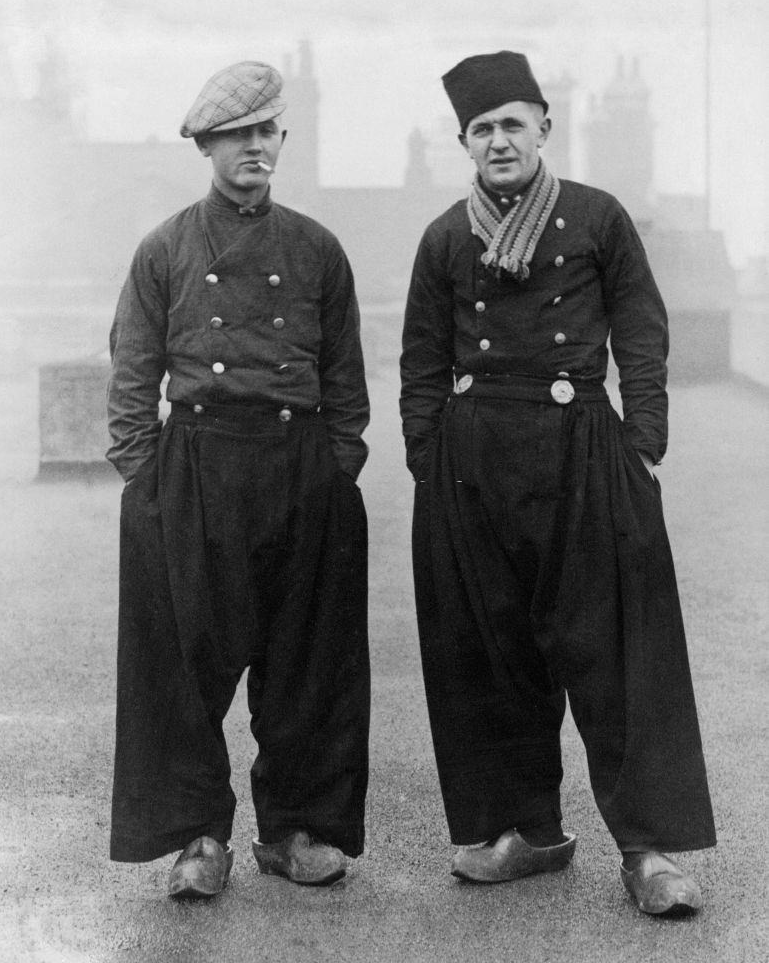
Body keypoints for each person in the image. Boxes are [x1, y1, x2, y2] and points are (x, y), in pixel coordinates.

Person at [400, 51, 715, 915]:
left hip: (580, 454)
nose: (498, 141)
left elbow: (642, 337)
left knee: (612, 654)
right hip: (471, 467)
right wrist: (428, 457)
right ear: (462, 142)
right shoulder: (443, 238)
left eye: (512, 123)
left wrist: (641, 446)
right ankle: (525, 831)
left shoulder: (596, 219)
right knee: (492, 658)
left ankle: (646, 850)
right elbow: (420, 362)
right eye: (481, 129)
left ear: (544, 124)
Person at [107, 60, 371, 899]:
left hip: (299, 465)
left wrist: (337, 469)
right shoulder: (166, 248)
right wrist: (148, 483)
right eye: (237, 135)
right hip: (197, 465)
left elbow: (347, 384)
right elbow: (131, 378)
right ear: (207, 145)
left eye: (267, 132)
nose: (255, 147)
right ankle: (196, 838)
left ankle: (294, 831)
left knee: (306, 660)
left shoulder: (317, 248)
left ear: (281, 139)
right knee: (186, 663)